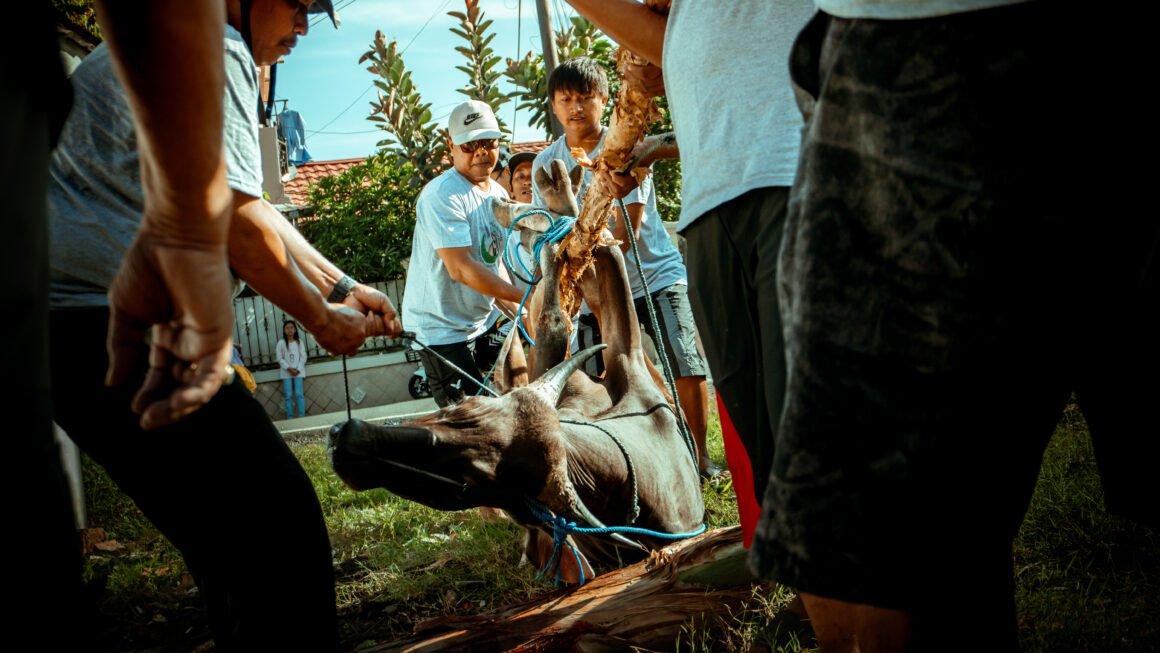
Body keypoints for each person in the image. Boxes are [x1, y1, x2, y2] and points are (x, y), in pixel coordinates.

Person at [47, 1, 401, 649]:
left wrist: (343, 286)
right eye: (298, 5)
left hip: (63, 335)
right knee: (281, 525)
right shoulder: (211, 40)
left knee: (227, 542)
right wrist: (321, 319)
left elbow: (253, 206)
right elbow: (234, 222)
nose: (302, 27)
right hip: (109, 321)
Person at [531, 56, 715, 477]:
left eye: (585, 98)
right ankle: (664, 444)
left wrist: (583, 247)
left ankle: (701, 457)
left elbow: (624, 229)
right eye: (565, 99)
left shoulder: (625, 146)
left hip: (655, 275)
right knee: (624, 369)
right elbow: (548, 229)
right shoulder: (547, 163)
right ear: (554, 107)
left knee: (683, 361)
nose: (576, 108)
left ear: (604, 99)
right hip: (600, 288)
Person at [401, 100, 524, 407]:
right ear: (451, 146)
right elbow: (461, 268)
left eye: (488, 142)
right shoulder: (442, 195)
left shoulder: (497, 194)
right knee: (472, 419)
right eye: (470, 145)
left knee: (507, 399)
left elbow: (493, 262)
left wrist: (522, 311)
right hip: (442, 331)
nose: (481, 152)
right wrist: (524, 298)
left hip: (481, 323)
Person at [276, 320, 309, 418]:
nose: (289, 330)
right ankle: (290, 417)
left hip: (298, 372)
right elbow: (279, 358)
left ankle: (302, 416)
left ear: (295, 330)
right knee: (288, 395)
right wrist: (289, 368)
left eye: (291, 328)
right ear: (284, 330)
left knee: (299, 394)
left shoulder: (299, 342)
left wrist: (298, 369)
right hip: (286, 373)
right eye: (287, 328)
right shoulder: (281, 343)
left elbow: (303, 356)